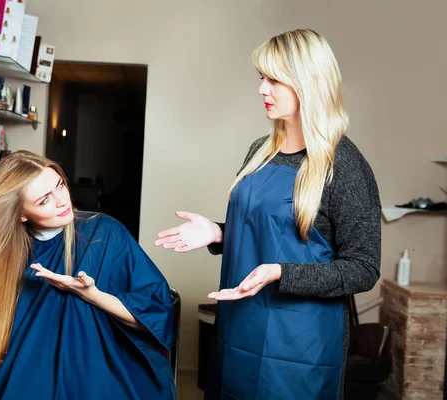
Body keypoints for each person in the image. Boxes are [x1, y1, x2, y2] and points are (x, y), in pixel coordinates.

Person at [155, 29, 381, 399]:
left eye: (274, 79)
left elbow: (364, 267)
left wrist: (280, 272)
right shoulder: (259, 152)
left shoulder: (344, 166)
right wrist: (217, 233)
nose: (262, 89)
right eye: (262, 77)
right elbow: (272, 229)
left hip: (300, 347)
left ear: (309, 83)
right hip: (239, 327)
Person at [0, 151, 176, 399]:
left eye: (60, 185)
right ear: (20, 214)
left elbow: (154, 314)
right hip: (16, 384)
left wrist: (92, 295)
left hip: (94, 379)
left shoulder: (105, 234)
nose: (63, 201)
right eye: (44, 199)